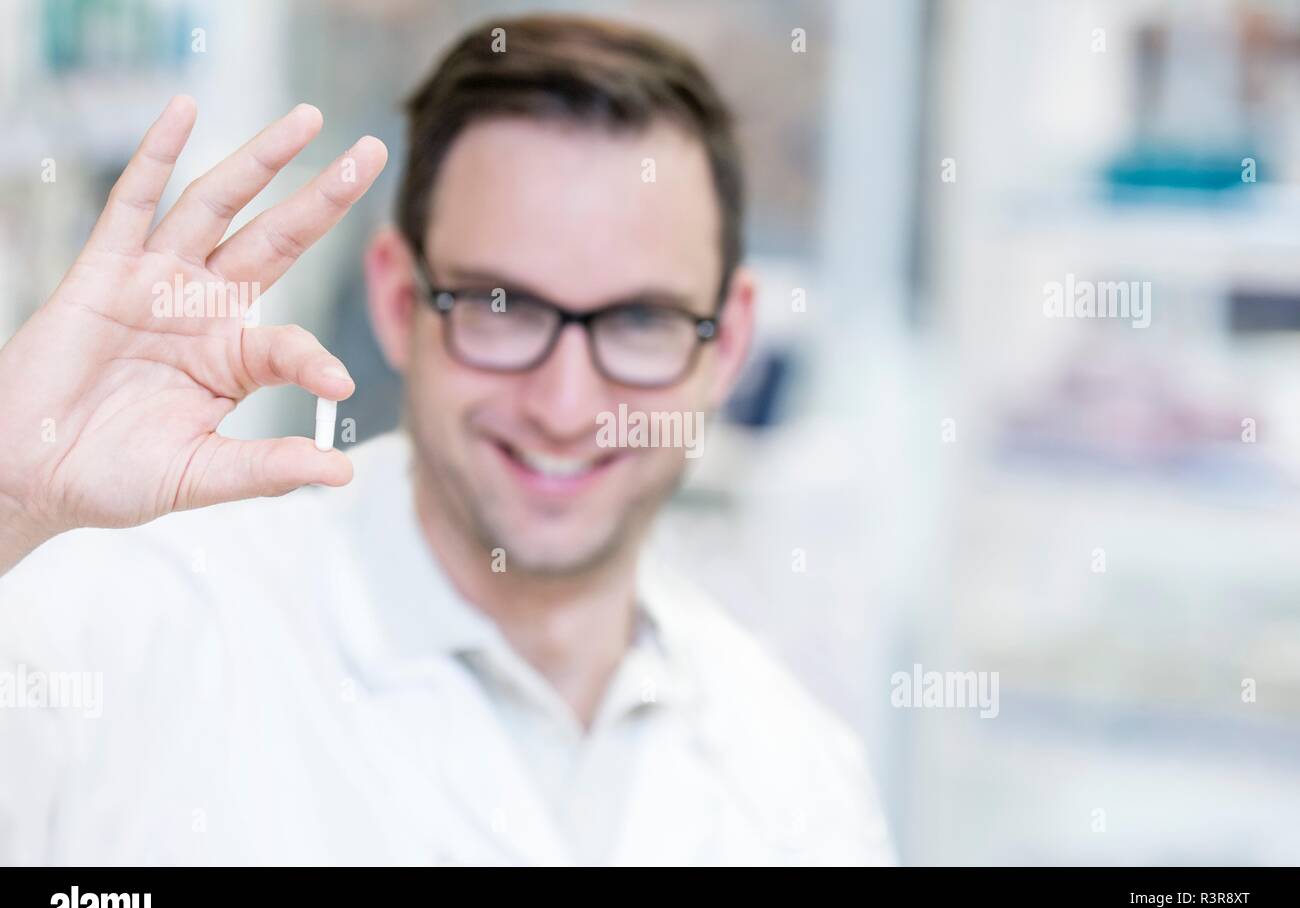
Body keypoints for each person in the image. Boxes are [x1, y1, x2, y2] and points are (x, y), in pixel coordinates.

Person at [0, 14, 891, 865]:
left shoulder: (801, 781)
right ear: (397, 302)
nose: (566, 404)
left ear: (727, 343)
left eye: (640, 322)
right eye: (502, 309)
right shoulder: (108, 635)